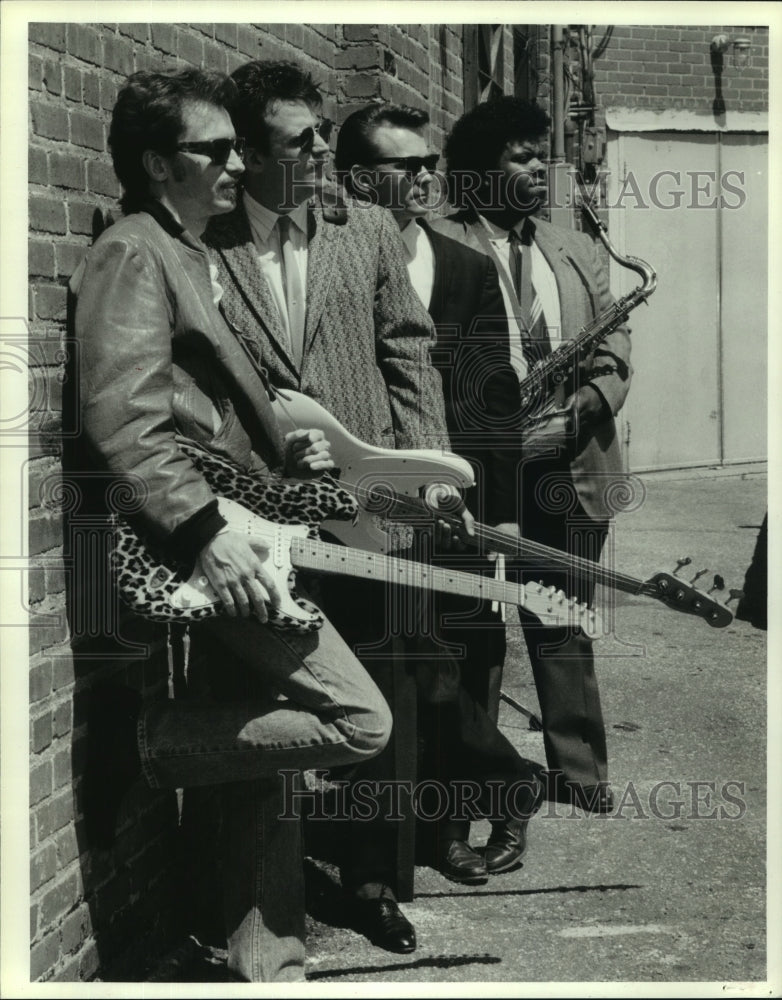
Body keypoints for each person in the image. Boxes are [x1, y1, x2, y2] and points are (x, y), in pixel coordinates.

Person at [72, 66, 392, 983]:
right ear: (155, 163)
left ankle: (268, 961)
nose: (236, 164)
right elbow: (125, 418)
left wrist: (288, 456)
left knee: (261, 763)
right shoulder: (134, 253)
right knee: (358, 718)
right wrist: (207, 534)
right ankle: (148, 745)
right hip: (213, 545)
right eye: (212, 150)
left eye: (235, 148)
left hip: (247, 525)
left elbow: (203, 409)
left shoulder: (188, 250)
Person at [334, 102, 545, 882]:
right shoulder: (332, 255)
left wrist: (502, 512)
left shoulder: (464, 266)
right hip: (363, 501)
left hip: (456, 506)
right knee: (403, 664)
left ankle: (447, 828)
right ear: (359, 178)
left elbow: (494, 403)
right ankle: (482, 795)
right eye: (408, 165)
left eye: (431, 163)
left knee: (453, 658)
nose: (428, 176)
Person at [432, 96, 634, 813]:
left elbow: (615, 347)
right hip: (478, 463)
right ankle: (477, 775)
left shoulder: (575, 245)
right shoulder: (433, 241)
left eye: (540, 156)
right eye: (521, 158)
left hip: (568, 461)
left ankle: (579, 774)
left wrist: (583, 409)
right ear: (481, 170)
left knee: (563, 618)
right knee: (474, 626)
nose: (539, 170)